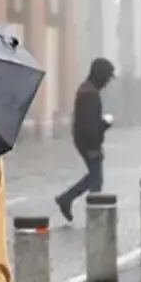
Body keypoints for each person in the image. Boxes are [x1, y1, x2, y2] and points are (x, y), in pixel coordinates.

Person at [55, 58, 115, 222]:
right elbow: (89, 125)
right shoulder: (90, 93)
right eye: (108, 77)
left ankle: (67, 199)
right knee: (96, 180)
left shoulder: (87, 90)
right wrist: (104, 126)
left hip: (85, 139)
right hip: (88, 141)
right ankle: (95, 217)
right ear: (101, 75)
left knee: (95, 177)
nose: (108, 81)